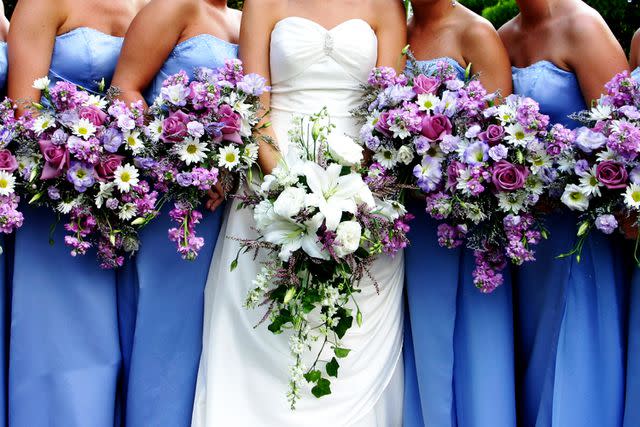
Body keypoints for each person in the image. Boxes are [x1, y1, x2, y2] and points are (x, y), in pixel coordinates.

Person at [191, 0, 407, 425]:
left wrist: (351, 200)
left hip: (363, 189)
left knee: (348, 339)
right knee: (263, 335)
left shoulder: (387, 5)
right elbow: (256, 107)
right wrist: (290, 191)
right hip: (271, 181)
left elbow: (388, 112)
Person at [6, 0, 145, 424]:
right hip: (55, 203)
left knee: (126, 355)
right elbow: (21, 112)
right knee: (66, 358)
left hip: (134, 208)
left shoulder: (153, 5)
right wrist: (82, 163)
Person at [499, 1, 629, 425]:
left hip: (580, 240)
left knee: (574, 356)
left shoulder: (583, 26)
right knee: (529, 356)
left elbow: (624, 140)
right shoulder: (501, 37)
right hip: (522, 241)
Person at [109, 1, 239, 425]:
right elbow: (124, 90)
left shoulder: (241, 19)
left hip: (229, 206)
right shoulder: (171, 7)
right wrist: (187, 166)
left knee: (208, 334)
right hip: (175, 206)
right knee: (167, 333)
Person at [403, 1, 515, 426]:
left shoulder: (476, 32)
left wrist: (446, 170)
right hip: (409, 225)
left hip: (464, 224)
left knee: (472, 344)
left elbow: (499, 138)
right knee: (422, 341)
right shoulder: (399, 29)